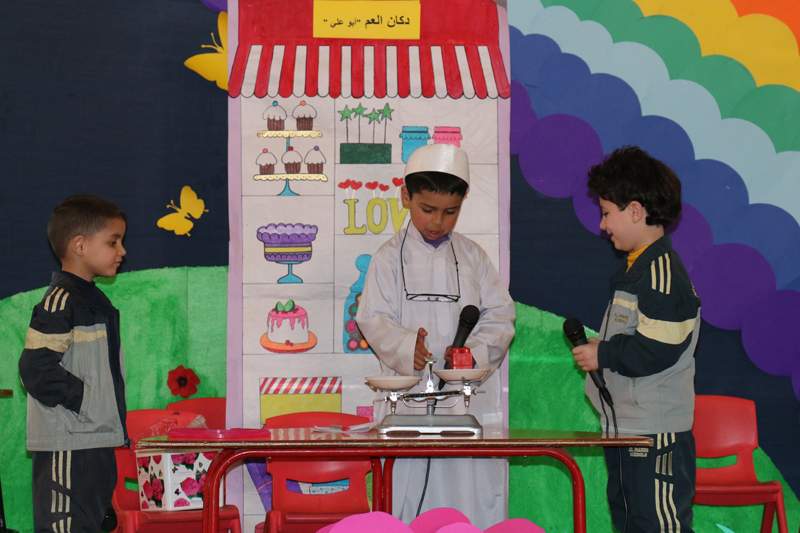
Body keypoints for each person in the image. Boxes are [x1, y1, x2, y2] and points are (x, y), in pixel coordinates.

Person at [356, 143, 516, 528]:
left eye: (450, 211)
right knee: (407, 501)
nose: (438, 221)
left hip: (464, 404)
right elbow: (373, 317)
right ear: (405, 197)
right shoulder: (386, 258)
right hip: (407, 405)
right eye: (428, 209)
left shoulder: (475, 257)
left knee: (467, 500)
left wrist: (472, 355)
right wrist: (406, 346)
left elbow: (500, 316)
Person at [571, 146, 701, 533]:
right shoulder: (634, 271)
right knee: (632, 523)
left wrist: (604, 353)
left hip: (655, 432)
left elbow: (657, 349)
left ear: (634, 211)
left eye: (605, 212)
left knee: (660, 524)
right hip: (627, 427)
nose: (602, 225)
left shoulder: (662, 273)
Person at [19, 195, 129, 533]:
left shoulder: (95, 300)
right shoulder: (61, 301)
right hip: (69, 443)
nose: (122, 251)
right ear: (79, 245)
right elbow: (36, 368)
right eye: (113, 241)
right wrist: (86, 401)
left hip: (95, 441)